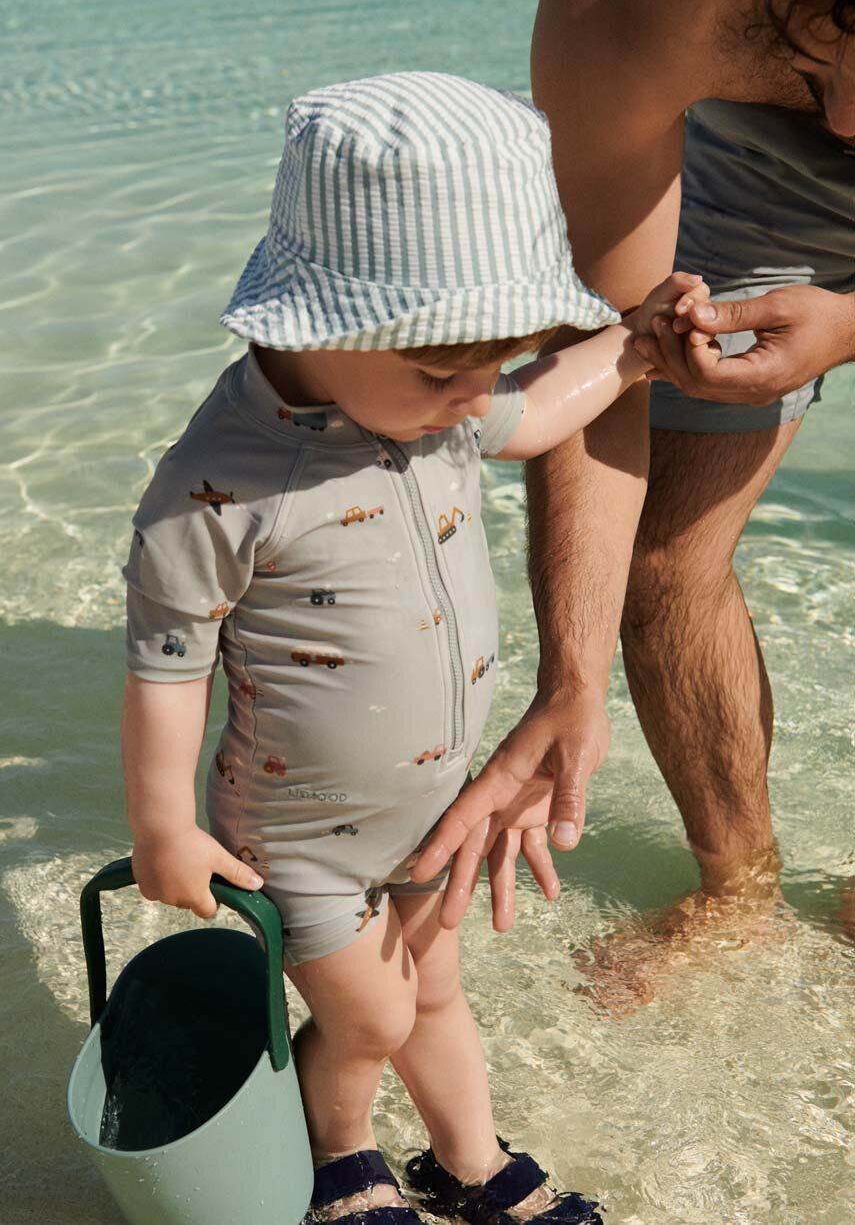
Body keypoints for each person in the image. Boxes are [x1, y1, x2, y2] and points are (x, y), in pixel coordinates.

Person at [121, 71, 709, 1224]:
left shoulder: (431, 396)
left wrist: (632, 355)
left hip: (439, 806)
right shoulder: (217, 487)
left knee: (435, 993)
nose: (472, 398)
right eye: (447, 371)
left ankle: (468, 1160)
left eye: (488, 362)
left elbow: (540, 412)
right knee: (374, 1017)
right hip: (301, 838)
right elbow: (167, 661)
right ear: (322, 323)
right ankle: (342, 1155)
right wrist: (161, 826)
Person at [410, 0, 855, 974]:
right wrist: (573, 679)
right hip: (760, 176)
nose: (846, 122)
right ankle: (738, 884)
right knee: (660, 563)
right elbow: (597, 344)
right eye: (816, 56)